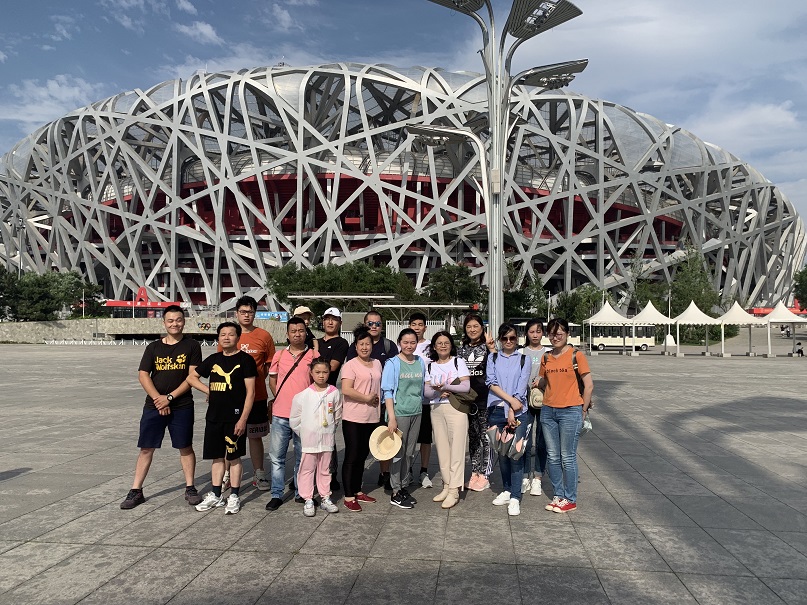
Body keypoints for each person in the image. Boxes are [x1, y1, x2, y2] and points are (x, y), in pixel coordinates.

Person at [120, 305, 203, 510]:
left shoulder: (192, 346)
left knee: (185, 446)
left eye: (178, 320)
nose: (175, 324)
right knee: (146, 448)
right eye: (170, 320)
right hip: (154, 406)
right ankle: (136, 490)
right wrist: (159, 399)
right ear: (164, 323)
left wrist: (170, 398)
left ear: (184, 321)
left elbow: (192, 377)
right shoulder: (153, 348)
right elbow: (143, 375)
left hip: (182, 405)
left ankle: (190, 487)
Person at [187, 322, 257, 514]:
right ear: (218, 338)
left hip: (234, 418)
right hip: (214, 417)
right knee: (217, 457)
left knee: (234, 457)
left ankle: (234, 495)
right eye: (223, 334)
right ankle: (216, 494)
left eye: (231, 334)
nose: (226, 337)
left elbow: (250, 393)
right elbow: (191, 378)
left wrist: (243, 419)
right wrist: (208, 390)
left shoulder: (245, 360)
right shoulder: (214, 359)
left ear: (238, 337)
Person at [219, 296, 275, 493]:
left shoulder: (264, 336)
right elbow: (221, 362)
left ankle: (259, 473)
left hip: (257, 395)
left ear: (254, 314)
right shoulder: (229, 334)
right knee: (230, 436)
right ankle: (226, 475)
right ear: (236, 313)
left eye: (250, 312)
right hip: (231, 398)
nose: (246, 315)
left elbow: (269, 367)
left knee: (255, 436)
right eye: (243, 312)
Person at [539, 318, 594, 514]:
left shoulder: (576, 355)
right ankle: (558, 495)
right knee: (553, 456)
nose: (555, 337)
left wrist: (583, 410)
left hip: (571, 410)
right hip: (548, 410)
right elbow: (545, 382)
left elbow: (589, 385)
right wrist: (537, 384)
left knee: (567, 457)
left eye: (559, 334)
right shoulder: (546, 357)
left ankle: (570, 499)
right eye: (552, 334)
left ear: (567, 334)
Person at [265, 317, 315, 511]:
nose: (297, 334)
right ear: (287, 334)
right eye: (293, 331)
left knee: (302, 457)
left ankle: (301, 492)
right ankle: (276, 494)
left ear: (306, 333)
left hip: (305, 415)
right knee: (277, 457)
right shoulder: (279, 355)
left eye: (301, 331)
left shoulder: (313, 355)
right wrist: (279, 397)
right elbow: (272, 380)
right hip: (281, 414)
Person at [345, 310, 397, 489]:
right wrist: (366, 397)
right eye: (370, 323)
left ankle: (382, 476)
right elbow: (348, 385)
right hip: (355, 412)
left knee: (376, 445)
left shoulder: (384, 352)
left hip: (378, 409)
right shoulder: (352, 357)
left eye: (378, 324)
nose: (374, 326)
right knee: (354, 453)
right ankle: (351, 491)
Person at [486, 323, 531, 516]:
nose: (509, 341)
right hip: (496, 409)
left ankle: (515, 496)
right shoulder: (493, 357)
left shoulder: (523, 359)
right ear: (500, 339)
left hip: (518, 411)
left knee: (515, 453)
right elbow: (491, 383)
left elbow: (521, 387)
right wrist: (510, 402)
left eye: (512, 338)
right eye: (504, 338)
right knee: (502, 452)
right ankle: (506, 488)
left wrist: (512, 407)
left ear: (517, 339)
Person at [290, 357, 343, 517]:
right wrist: (305, 433)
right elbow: (295, 419)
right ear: (311, 373)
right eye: (317, 372)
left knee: (325, 469)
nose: (321, 375)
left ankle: (325, 496)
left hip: (326, 438)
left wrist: (330, 429)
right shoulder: (303, 395)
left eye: (325, 372)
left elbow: (337, 414)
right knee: (307, 468)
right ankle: (307, 498)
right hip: (309, 440)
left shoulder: (334, 392)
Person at [381, 328, 427, 509]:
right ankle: (395, 491)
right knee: (398, 453)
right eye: (405, 342)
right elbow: (387, 391)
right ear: (399, 343)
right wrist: (391, 417)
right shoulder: (392, 363)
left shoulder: (419, 361)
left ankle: (403, 486)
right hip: (400, 413)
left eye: (412, 342)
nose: (409, 346)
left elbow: (422, 387)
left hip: (416, 411)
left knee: (409, 452)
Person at [424, 330, 470, 509]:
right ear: (434, 347)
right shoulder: (430, 366)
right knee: (442, 449)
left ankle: (454, 490)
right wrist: (437, 392)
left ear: (451, 345)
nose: (443, 346)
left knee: (457, 449)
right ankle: (446, 484)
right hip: (436, 408)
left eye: (446, 343)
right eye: (439, 343)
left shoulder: (458, 362)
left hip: (455, 408)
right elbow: (426, 392)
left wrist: (446, 387)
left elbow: (466, 386)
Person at [340, 326, 383, 511]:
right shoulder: (350, 365)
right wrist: (366, 398)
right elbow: (346, 389)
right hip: (353, 417)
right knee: (352, 455)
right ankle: (349, 495)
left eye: (368, 344)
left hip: (372, 417)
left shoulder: (377, 363)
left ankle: (357, 490)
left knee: (363, 455)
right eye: (361, 344)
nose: (365, 347)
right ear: (356, 346)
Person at [457, 313, 495, 492]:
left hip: (486, 399)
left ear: (482, 328)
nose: (472, 330)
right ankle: (475, 472)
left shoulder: (488, 347)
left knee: (485, 437)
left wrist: (492, 348)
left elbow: (498, 365)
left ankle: (485, 475)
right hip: (467, 400)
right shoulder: (461, 349)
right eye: (469, 326)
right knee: (472, 437)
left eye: (476, 326)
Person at [317, 307, 349, 490]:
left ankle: (331, 473)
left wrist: (315, 357)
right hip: (312, 393)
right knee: (311, 434)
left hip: (328, 393)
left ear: (340, 323)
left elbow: (332, 367)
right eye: (327, 318)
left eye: (334, 319)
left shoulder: (341, 343)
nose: (330, 322)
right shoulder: (315, 342)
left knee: (328, 435)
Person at [521, 319, 547, 497]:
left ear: (543, 333)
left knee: (542, 440)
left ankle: (537, 476)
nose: (535, 335)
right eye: (531, 332)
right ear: (526, 334)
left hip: (545, 400)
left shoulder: (548, 353)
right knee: (525, 439)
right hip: (525, 400)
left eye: (538, 331)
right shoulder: (521, 352)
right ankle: (524, 476)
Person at [409, 312, 434, 489]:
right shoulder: (403, 344)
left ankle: (424, 471)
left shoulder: (431, 346)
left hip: (426, 400)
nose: (417, 328)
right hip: (408, 400)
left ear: (425, 327)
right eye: (414, 324)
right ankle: (408, 470)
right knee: (409, 438)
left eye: (420, 324)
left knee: (425, 438)